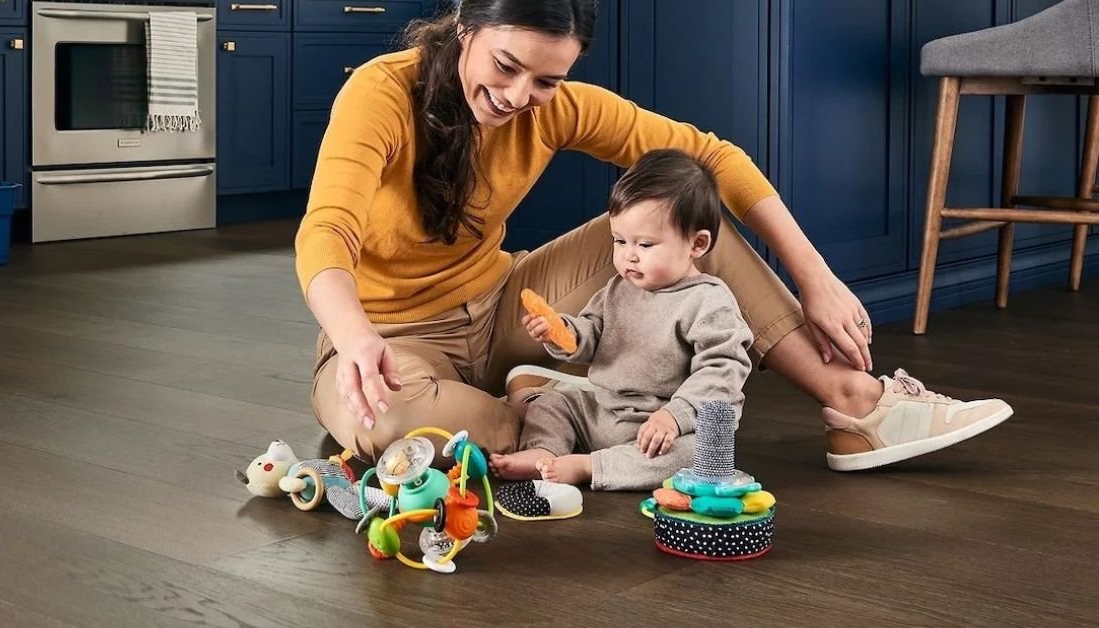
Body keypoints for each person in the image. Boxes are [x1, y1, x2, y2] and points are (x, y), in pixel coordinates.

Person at [294, 0, 1013, 472]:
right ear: (464, 27)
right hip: (390, 338)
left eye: (546, 80)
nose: (518, 98)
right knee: (390, 422)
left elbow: (715, 158)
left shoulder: (557, 107)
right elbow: (326, 231)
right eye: (506, 66)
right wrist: (357, 339)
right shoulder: (383, 93)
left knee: (687, 217)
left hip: (511, 306)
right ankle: (537, 407)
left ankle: (855, 404)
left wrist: (814, 277)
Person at [489, 149, 753, 490]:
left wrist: (675, 415)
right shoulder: (619, 288)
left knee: (695, 456)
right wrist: (562, 333)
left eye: (645, 244)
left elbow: (722, 372)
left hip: (660, 427)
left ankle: (588, 467)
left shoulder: (708, 301)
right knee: (553, 402)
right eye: (619, 241)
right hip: (603, 410)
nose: (628, 255)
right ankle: (543, 451)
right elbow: (591, 333)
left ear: (697, 244)